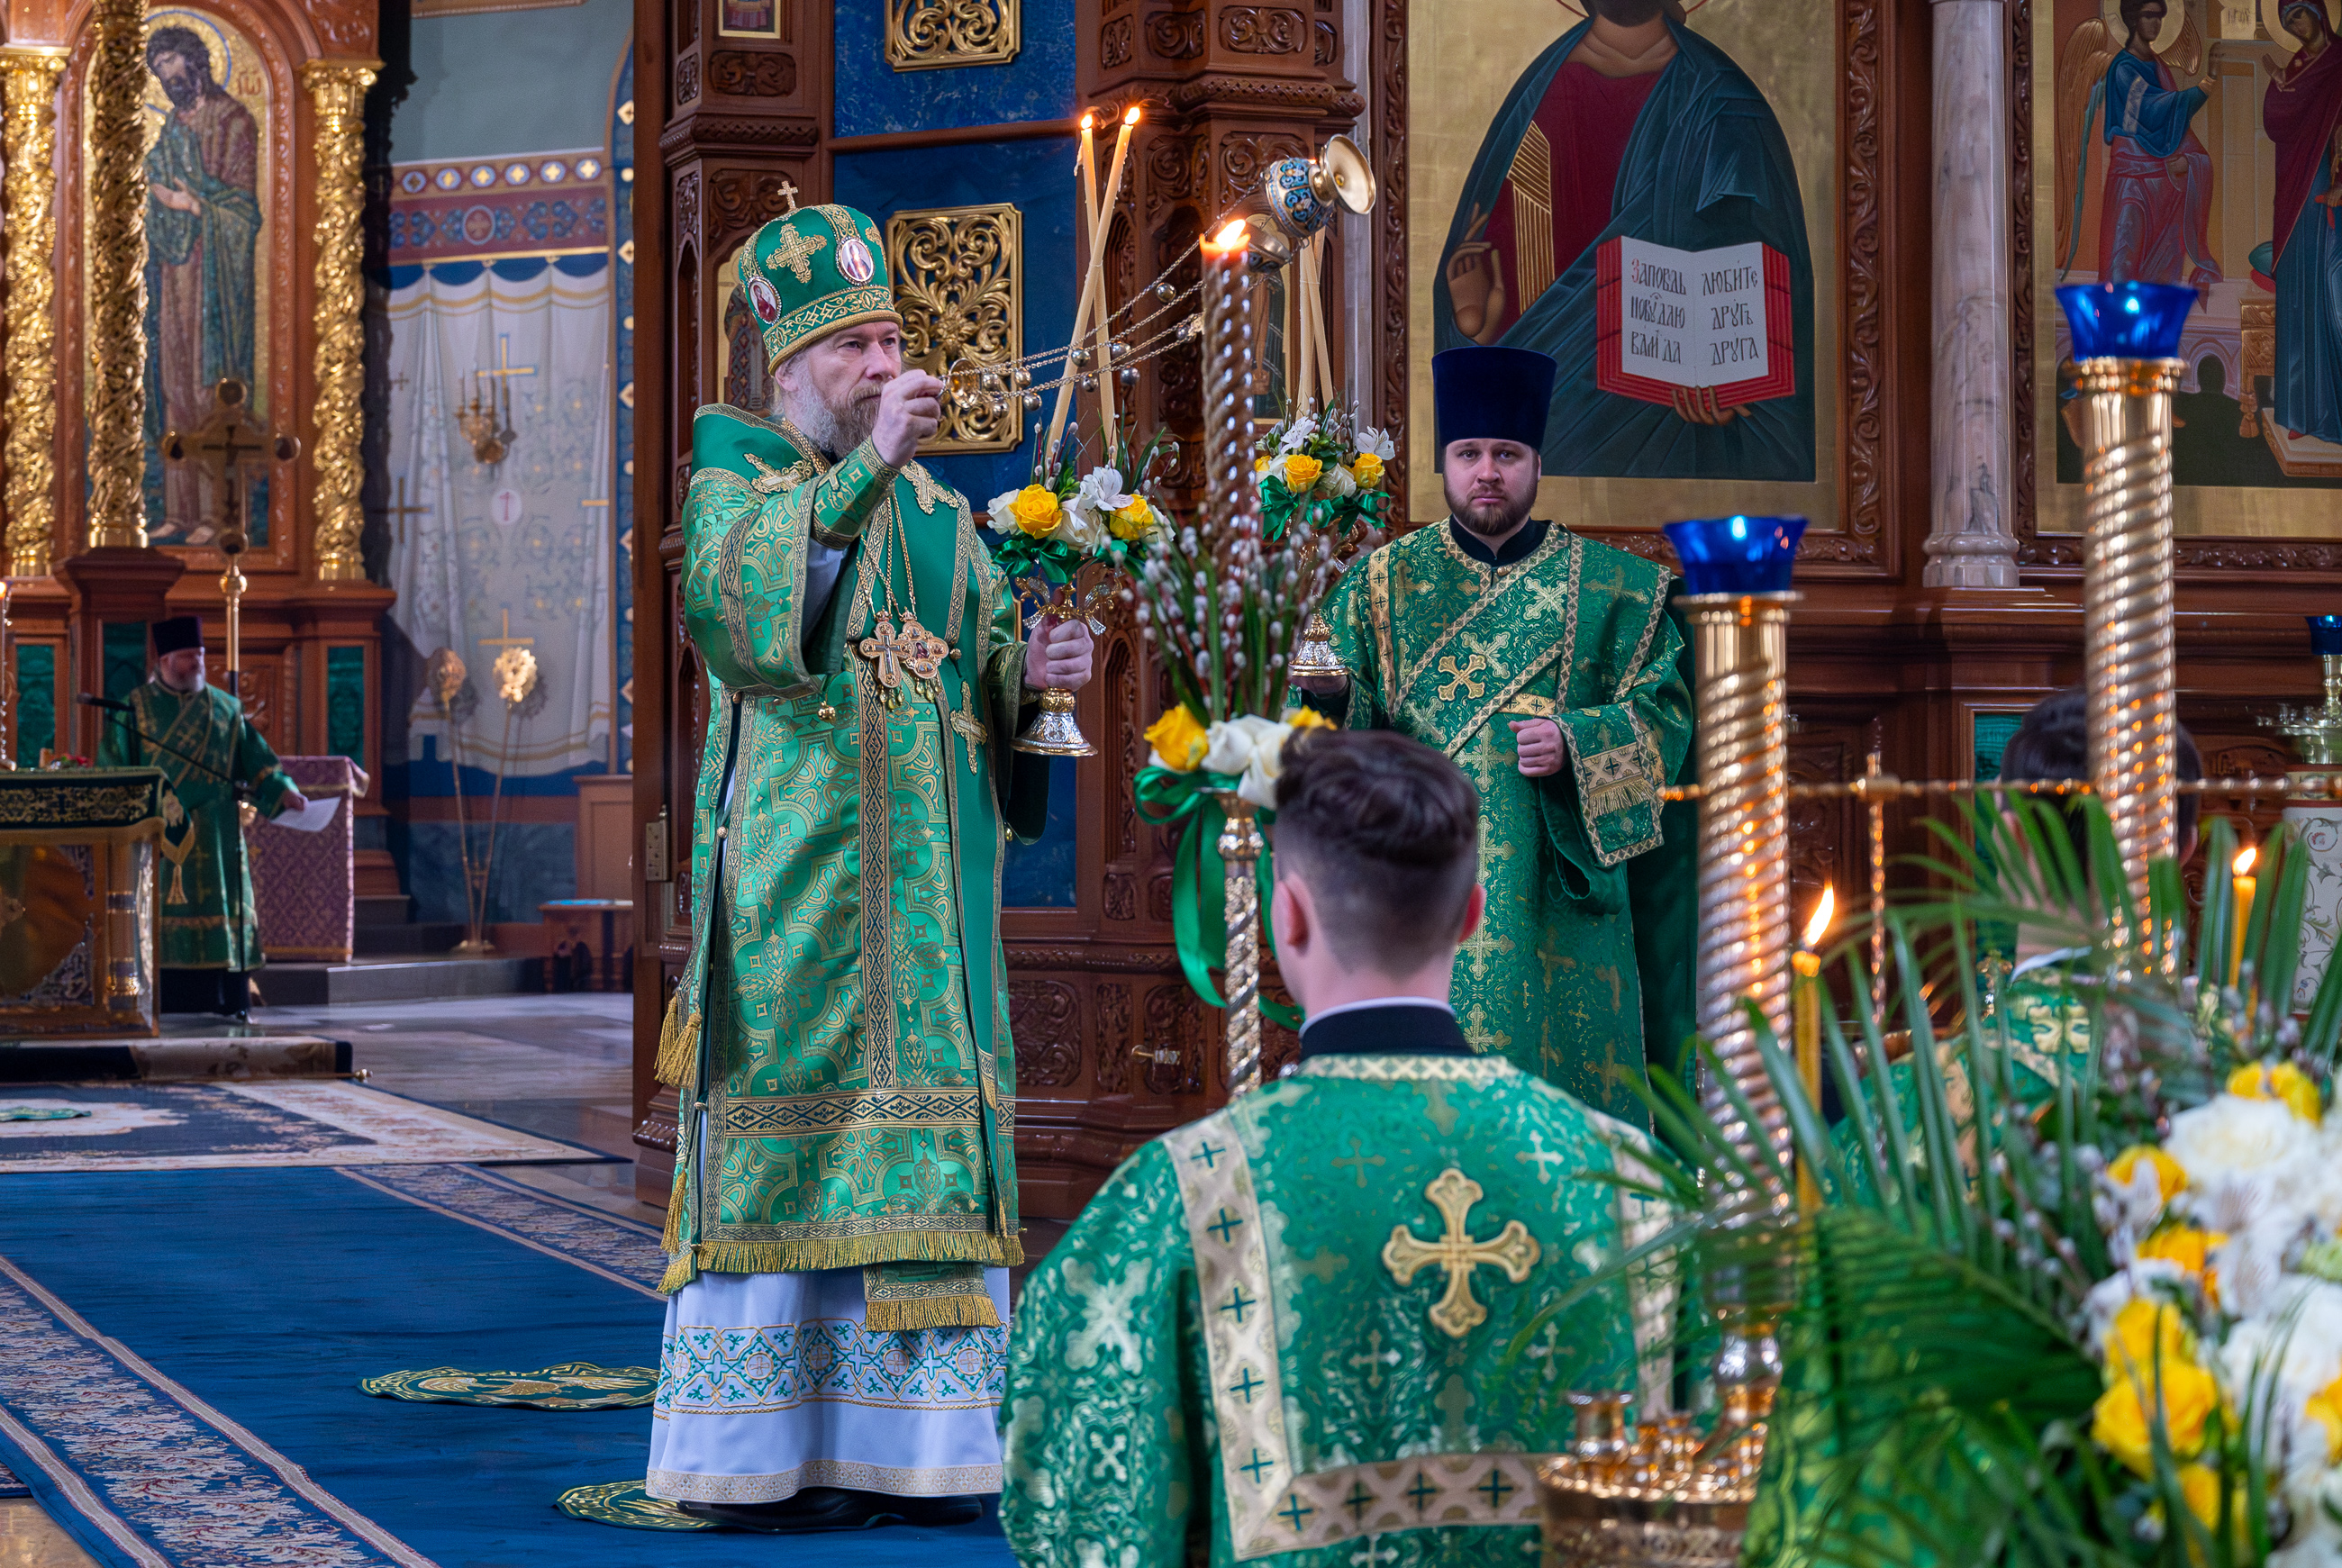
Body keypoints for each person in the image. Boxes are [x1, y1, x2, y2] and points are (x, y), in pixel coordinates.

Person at [643, 196, 1094, 1532]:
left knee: (926, 1155)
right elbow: (740, 623)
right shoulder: (735, 477)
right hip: (796, 901)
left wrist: (1040, 675)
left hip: (928, 920)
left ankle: (926, 1451)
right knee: (794, 1147)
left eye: (894, 342)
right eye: (856, 349)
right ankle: (756, 1456)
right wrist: (867, 469)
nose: (885, 367)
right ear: (791, 367)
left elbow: (984, 673)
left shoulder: (946, 516)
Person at [1001, 730, 1670, 1564]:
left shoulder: (1183, 1193)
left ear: (1286, 913)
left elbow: (1078, 1501)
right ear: (1472, 914)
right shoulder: (1631, 1182)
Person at [1297, 343, 1696, 1126]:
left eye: (1506, 454)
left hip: (1556, 913)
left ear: (1537, 464)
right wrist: (1332, 699)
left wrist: (1578, 743)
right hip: (1418, 895)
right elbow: (1330, 747)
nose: (1487, 472)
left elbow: (1665, 722)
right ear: (1444, 465)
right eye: (1469, 453)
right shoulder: (1379, 584)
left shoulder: (1617, 590)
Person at [1433, 0, 1815, 480]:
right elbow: (1494, 292)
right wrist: (1473, 331)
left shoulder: (1724, 101)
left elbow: (1770, 267)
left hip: (1675, 432)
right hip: (1548, 424)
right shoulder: (1540, 98)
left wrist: (1731, 377)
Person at [95, 615, 304, 1019]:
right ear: (166, 660)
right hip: (159, 837)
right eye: (189, 655)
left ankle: (226, 999)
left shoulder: (227, 709)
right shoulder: (134, 709)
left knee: (221, 911)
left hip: (216, 836)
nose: (198, 663)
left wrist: (284, 791)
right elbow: (113, 770)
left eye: (201, 655)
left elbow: (259, 764)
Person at [142, 26, 263, 545]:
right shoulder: (172, 126)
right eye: (160, 71)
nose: (169, 78)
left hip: (216, 278)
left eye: (174, 64)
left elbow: (244, 212)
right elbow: (157, 179)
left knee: (208, 388)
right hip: (175, 270)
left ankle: (219, 515)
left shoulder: (233, 120)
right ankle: (180, 510)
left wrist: (195, 205)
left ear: (196, 62)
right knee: (174, 384)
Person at [2091, 0, 2219, 290]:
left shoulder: (2159, 67)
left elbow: (2174, 125)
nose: (2156, 23)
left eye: (2160, 17)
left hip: (2163, 187)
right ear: (2133, 19)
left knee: (2162, 271)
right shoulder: (2123, 68)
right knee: (2124, 260)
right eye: (2149, 16)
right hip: (2132, 182)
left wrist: (2191, 159)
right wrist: (2204, 86)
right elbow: (2151, 110)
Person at [2265, 0, 2342, 443]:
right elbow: (2277, 125)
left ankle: (2334, 413)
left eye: (2299, 13)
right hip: (2297, 191)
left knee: (2331, 300)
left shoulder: (2339, 60)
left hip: (2330, 187)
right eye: (2287, 20)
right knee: (2297, 298)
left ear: (2319, 11)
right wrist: (2281, 89)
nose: (2295, 25)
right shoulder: (2295, 68)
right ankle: (2302, 413)